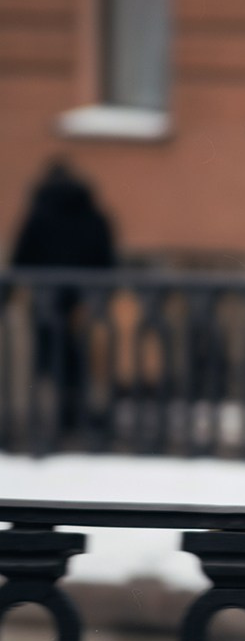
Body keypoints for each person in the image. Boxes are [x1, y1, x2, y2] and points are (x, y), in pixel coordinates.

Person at [10, 158, 117, 434]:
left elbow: (20, 260)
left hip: (46, 302)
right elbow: (106, 258)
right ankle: (78, 415)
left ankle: (51, 421)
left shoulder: (39, 216)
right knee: (80, 361)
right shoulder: (92, 215)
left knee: (47, 360)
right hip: (85, 303)